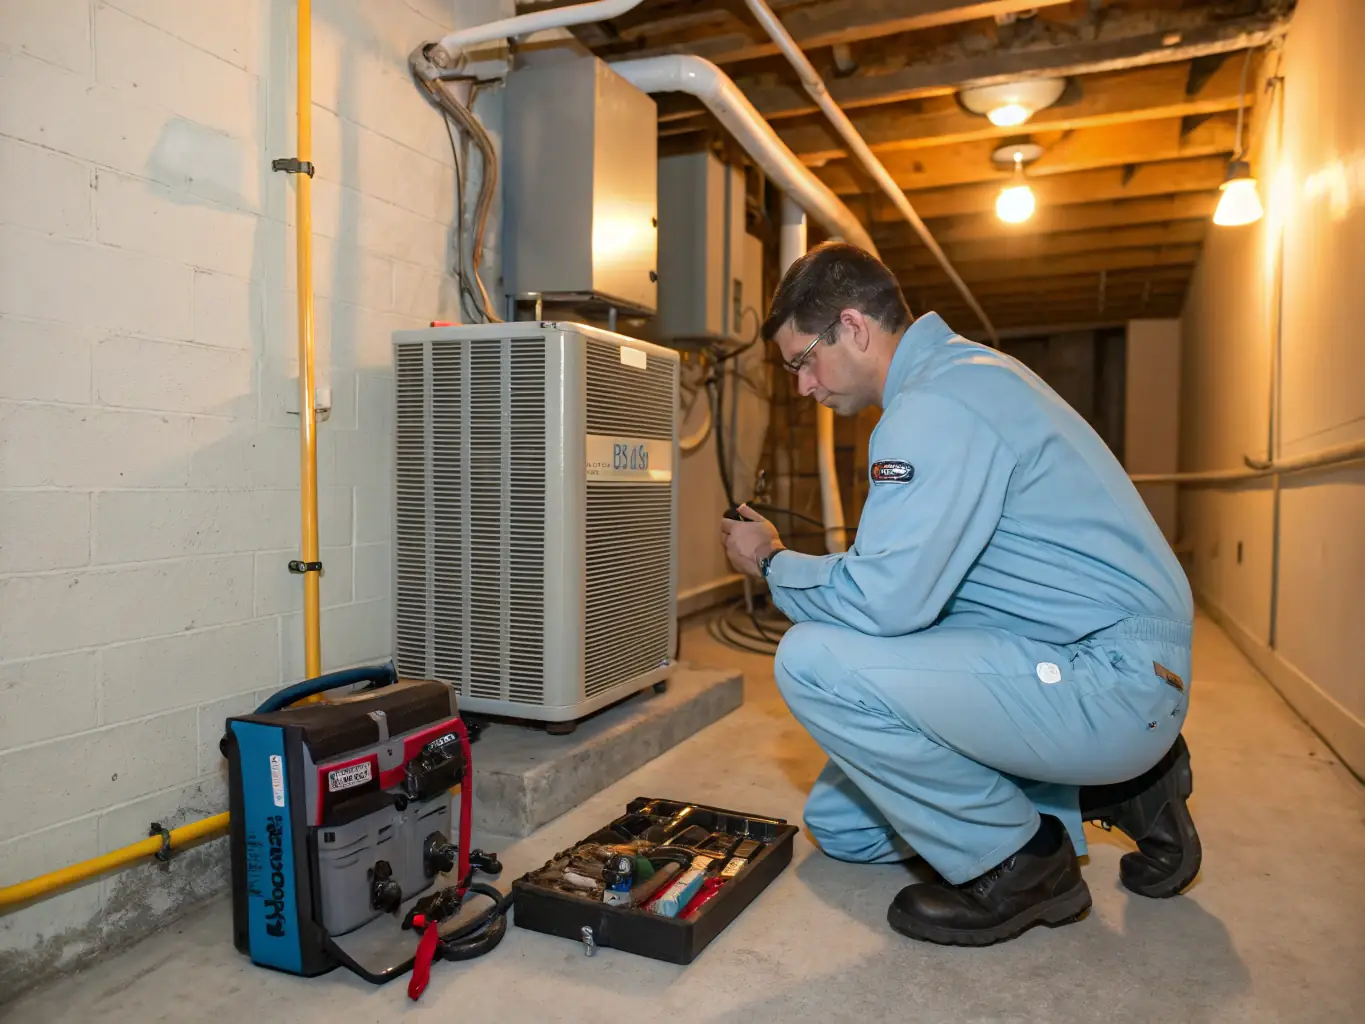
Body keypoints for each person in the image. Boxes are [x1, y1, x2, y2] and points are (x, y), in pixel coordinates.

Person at [720, 242, 1201, 947]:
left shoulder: (935, 406)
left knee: (811, 659)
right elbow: (909, 585)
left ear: (852, 328)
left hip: (1112, 678)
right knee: (842, 827)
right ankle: (1113, 787)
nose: (802, 387)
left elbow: (884, 603)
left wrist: (771, 561)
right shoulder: (964, 377)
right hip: (1080, 656)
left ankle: (1024, 866)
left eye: (801, 361)